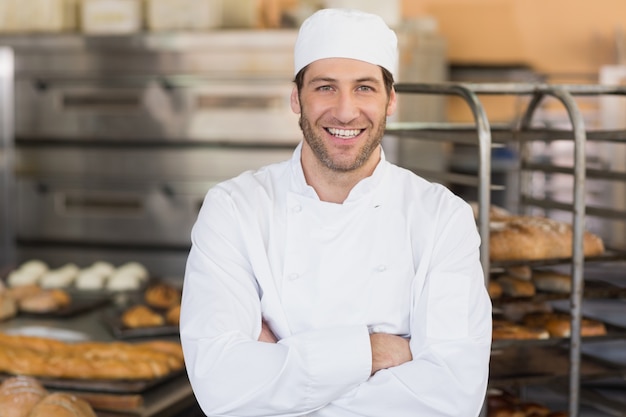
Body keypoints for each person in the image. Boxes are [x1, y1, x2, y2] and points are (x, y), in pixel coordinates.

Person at [180, 8, 492, 417]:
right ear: (296, 97)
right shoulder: (235, 209)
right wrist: (375, 351)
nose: (345, 111)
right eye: (325, 88)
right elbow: (221, 385)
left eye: (364, 88)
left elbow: (452, 396)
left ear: (390, 100)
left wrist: (281, 369)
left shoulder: (441, 217)